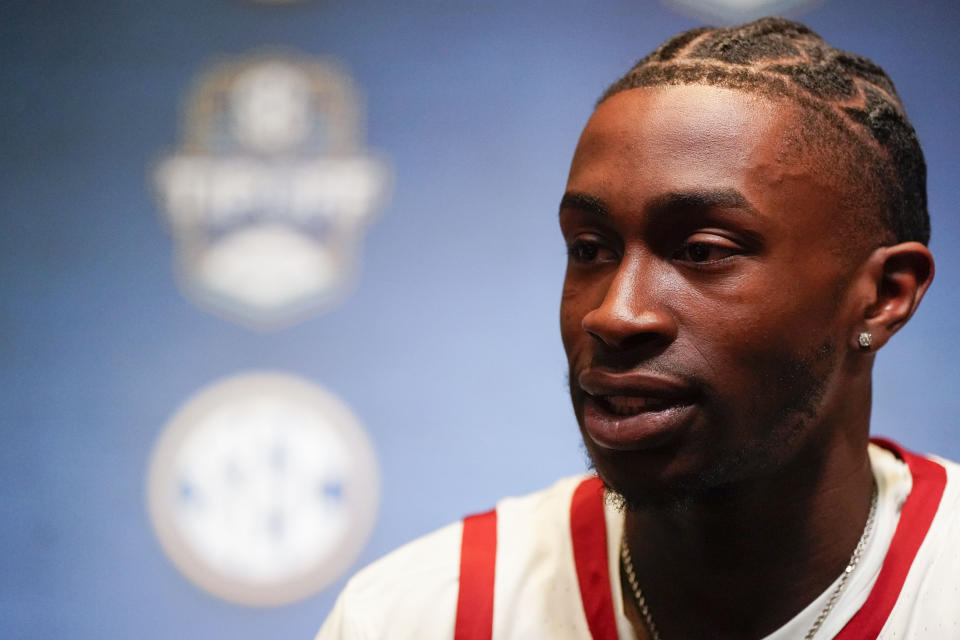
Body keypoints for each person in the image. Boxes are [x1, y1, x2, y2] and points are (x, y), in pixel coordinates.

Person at [316, 17, 959, 640]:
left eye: (703, 251)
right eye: (591, 249)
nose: (614, 315)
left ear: (882, 296)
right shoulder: (418, 616)